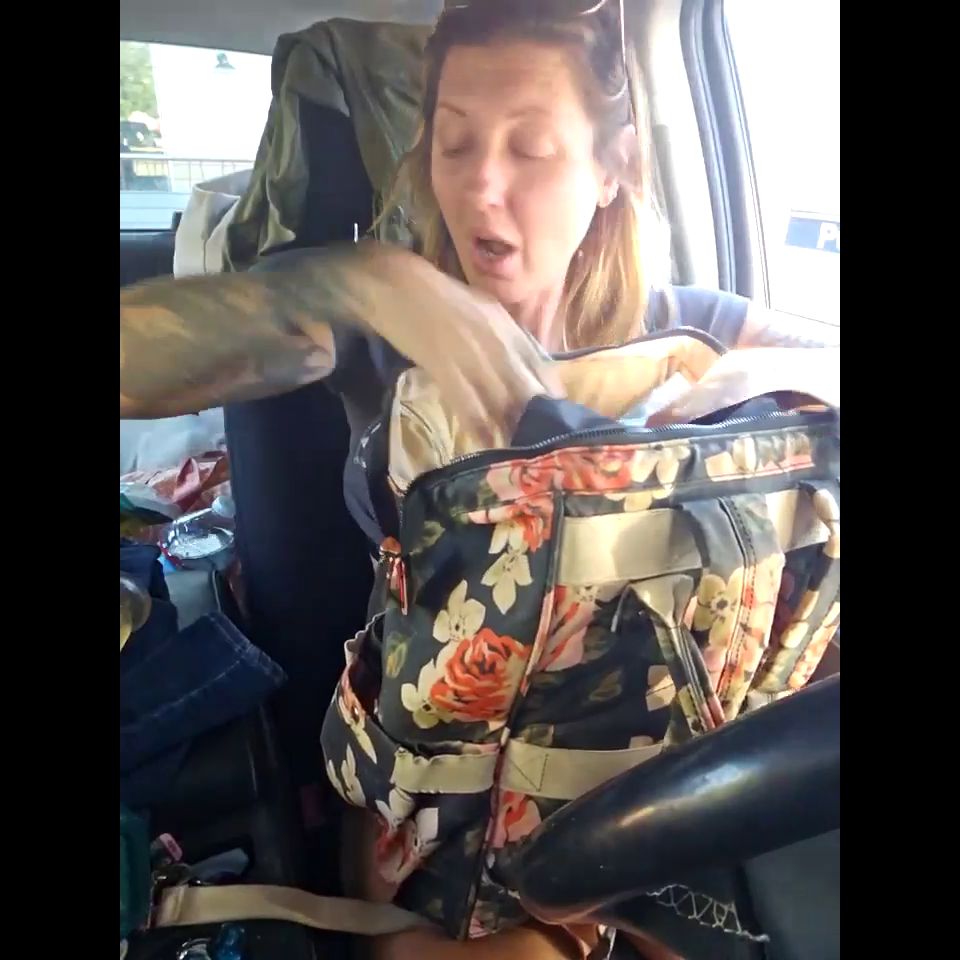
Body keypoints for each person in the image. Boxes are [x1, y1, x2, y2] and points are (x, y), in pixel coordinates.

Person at [120, 2, 837, 957]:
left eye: (530, 148)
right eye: (453, 145)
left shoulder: (697, 335)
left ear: (613, 166)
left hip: (668, 795)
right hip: (436, 815)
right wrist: (359, 279)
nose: (481, 186)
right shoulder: (384, 340)